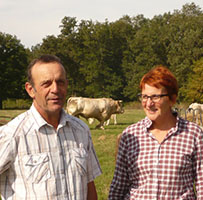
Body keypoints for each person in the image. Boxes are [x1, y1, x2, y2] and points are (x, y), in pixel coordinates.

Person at [0, 55, 102, 200]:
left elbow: (89, 184)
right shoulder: (12, 134)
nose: (55, 89)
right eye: (46, 84)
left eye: (60, 82)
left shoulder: (81, 130)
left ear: (66, 85)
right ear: (30, 90)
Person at [108, 65, 203, 199]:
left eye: (155, 97)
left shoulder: (193, 134)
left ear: (172, 99)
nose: (148, 103)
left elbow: (201, 185)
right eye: (144, 97)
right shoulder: (130, 135)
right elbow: (118, 188)